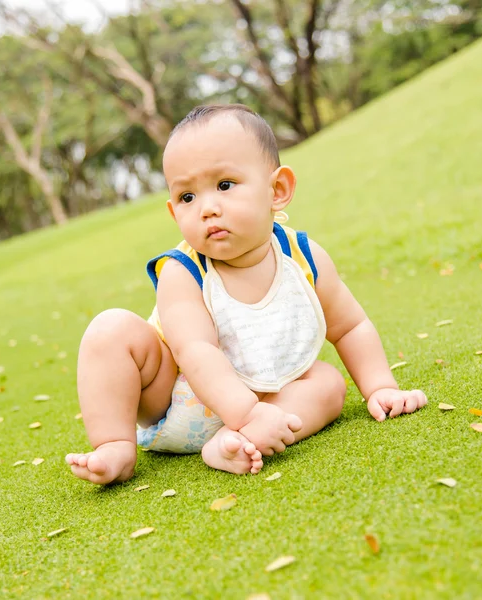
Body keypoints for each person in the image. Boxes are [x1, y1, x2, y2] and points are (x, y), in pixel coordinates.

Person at [65, 104, 427, 484]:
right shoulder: (182, 272)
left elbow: (350, 326)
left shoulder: (303, 258)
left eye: (224, 186)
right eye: (188, 197)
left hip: (268, 402)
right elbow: (195, 351)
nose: (207, 209)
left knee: (328, 385)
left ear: (277, 190)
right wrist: (244, 411)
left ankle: (232, 444)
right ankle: (115, 446)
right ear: (174, 213)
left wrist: (381, 386)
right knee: (111, 329)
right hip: (176, 398)